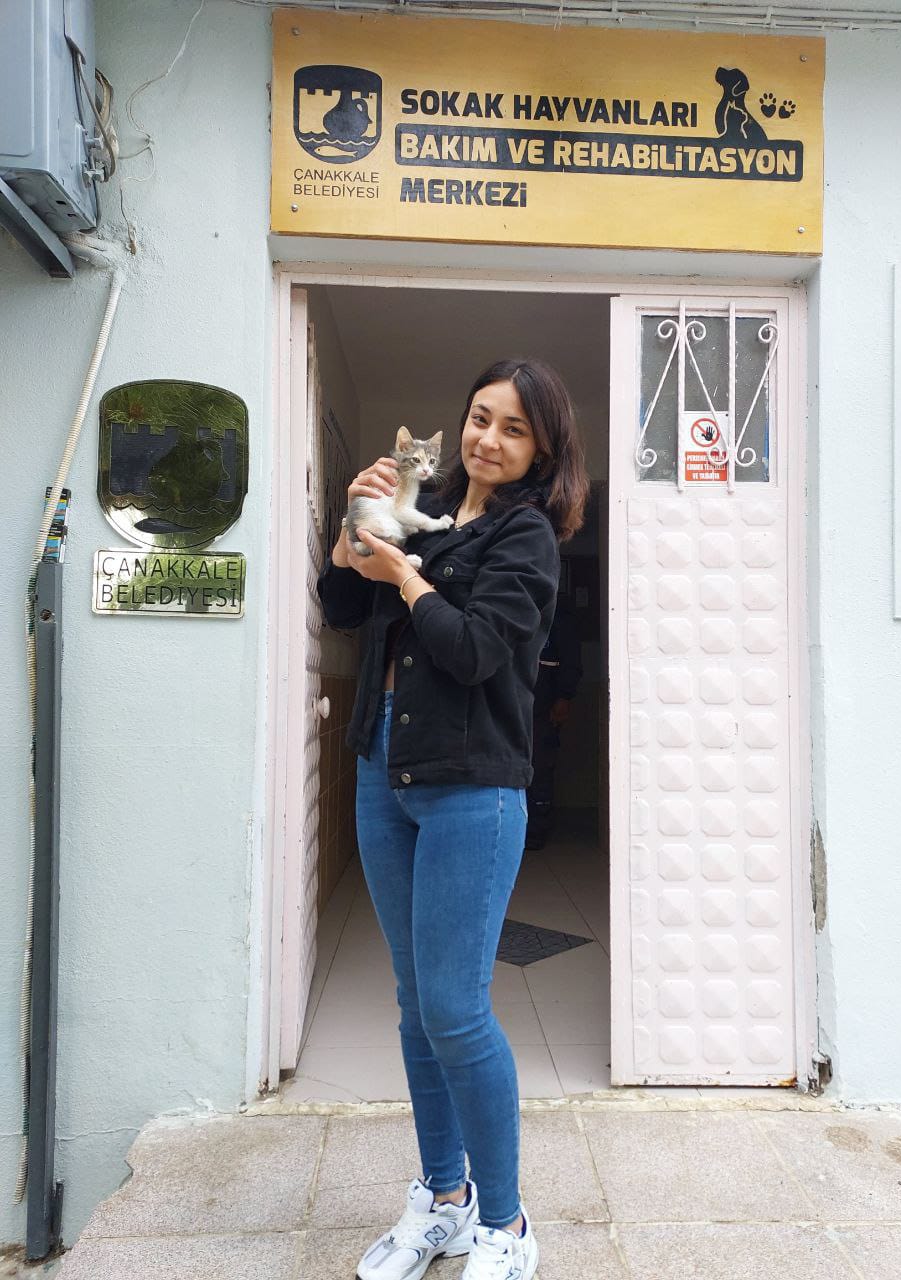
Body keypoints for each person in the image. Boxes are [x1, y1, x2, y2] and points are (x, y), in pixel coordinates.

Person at [317, 358, 588, 1280]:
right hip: (382, 767)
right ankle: (445, 1201)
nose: (487, 439)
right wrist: (352, 530)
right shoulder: (423, 511)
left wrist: (407, 576)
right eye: (480, 417)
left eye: (514, 428)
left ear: (543, 450)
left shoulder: (526, 538)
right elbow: (340, 604)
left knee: (456, 1010)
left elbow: (473, 653)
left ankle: (506, 1224)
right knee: (412, 1006)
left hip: (474, 783)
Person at [524, 603, 583, 851]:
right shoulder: (510, 603)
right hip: (509, 708)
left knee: (540, 769)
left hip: (543, 708)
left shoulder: (559, 616)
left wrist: (563, 698)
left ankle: (535, 833)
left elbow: (571, 662)